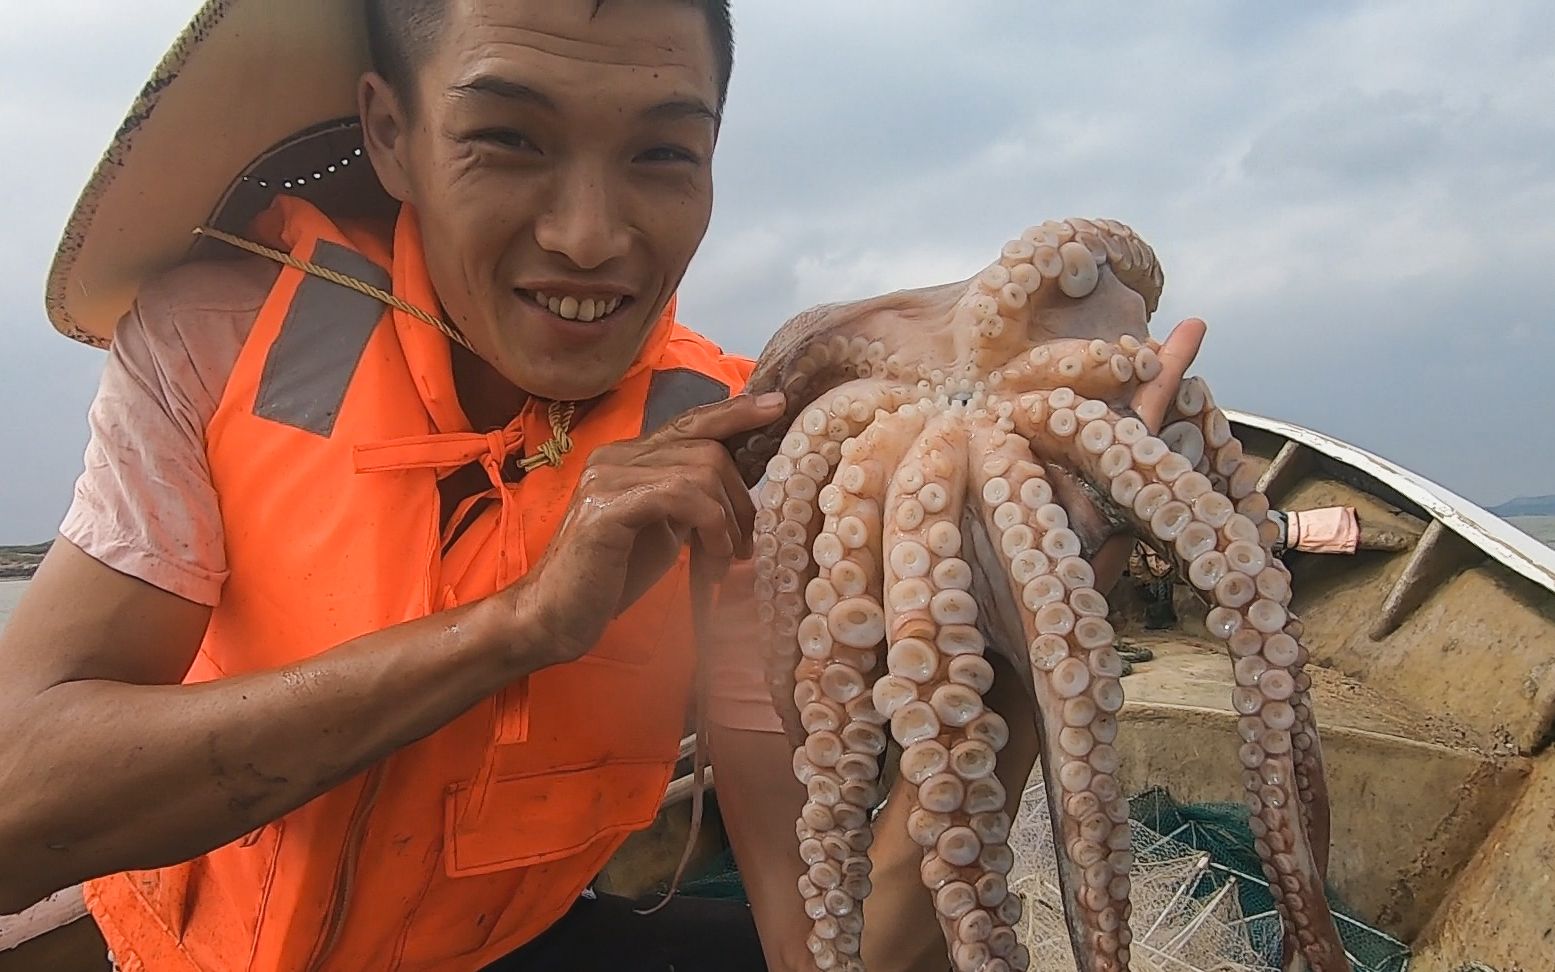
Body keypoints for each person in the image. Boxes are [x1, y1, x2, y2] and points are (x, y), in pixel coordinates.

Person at [0, 2, 1206, 970]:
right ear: (390, 132)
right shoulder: (220, 339)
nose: (588, 234)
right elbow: (15, 806)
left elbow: (833, 948)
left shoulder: (726, 451)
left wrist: (1028, 630)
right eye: (509, 138)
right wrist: (518, 628)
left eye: (662, 154)